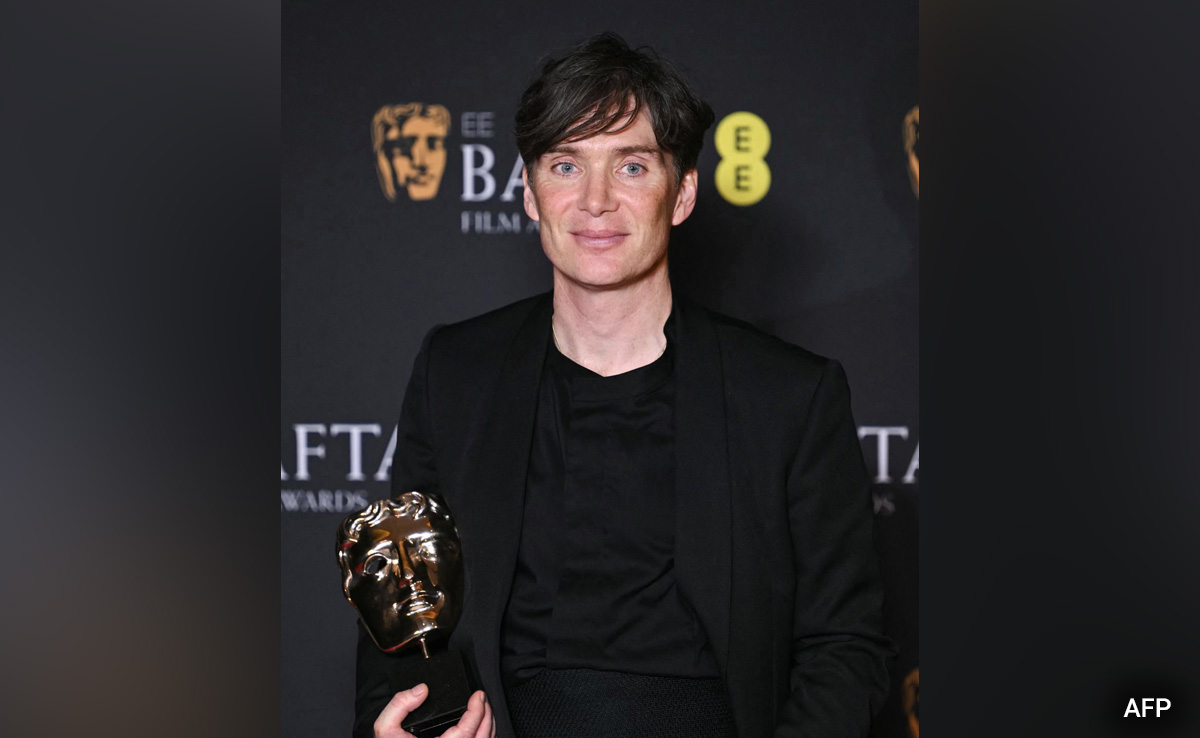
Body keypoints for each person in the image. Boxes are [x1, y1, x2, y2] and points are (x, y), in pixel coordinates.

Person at [355, 32, 895, 738]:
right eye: (566, 165)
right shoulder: (454, 373)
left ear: (682, 193)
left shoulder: (790, 396)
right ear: (529, 192)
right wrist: (409, 728)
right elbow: (402, 606)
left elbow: (845, 647)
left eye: (632, 166)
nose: (596, 201)